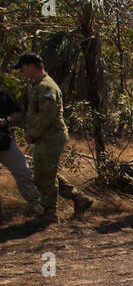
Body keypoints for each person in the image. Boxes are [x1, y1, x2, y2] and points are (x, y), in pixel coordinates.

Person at [11, 52, 93, 221]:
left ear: (31, 66)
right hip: (45, 136)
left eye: (22, 68)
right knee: (46, 172)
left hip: (51, 135)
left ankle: (50, 213)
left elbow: (47, 115)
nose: (22, 72)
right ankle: (79, 199)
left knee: (43, 174)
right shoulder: (37, 85)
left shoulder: (46, 87)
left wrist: (32, 134)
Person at [0, 83, 44, 220]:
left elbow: (18, 114)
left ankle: (37, 208)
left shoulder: (2, 94)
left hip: (4, 141)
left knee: (23, 171)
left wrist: (6, 120)